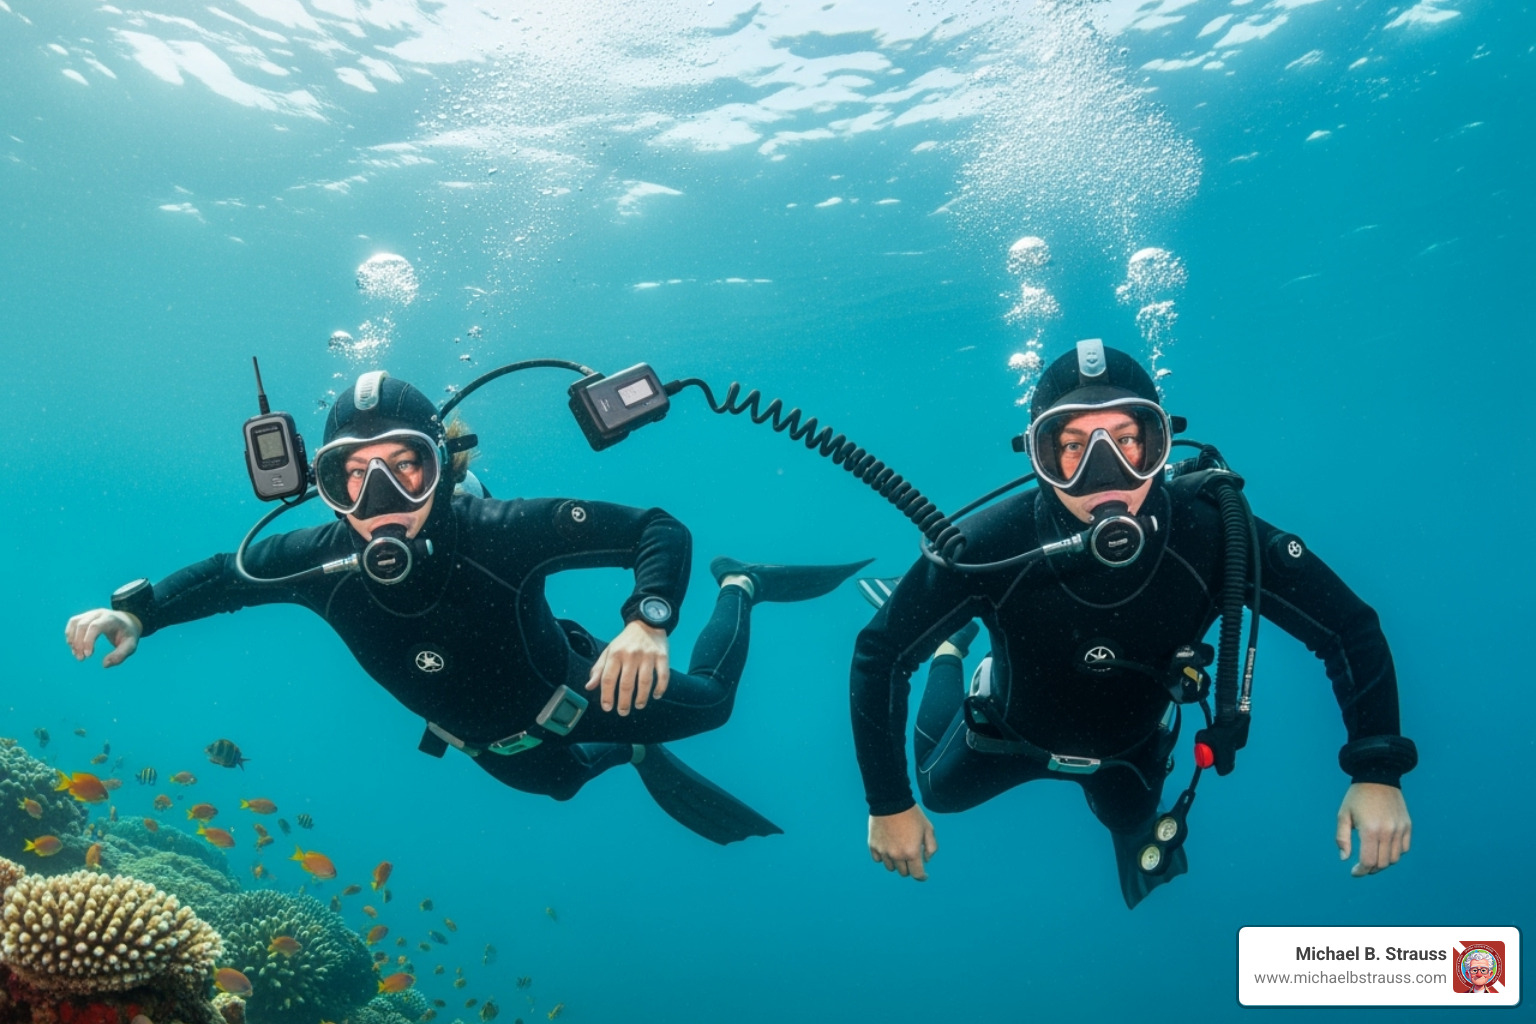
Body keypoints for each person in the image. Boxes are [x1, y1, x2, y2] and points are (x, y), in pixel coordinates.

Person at [66, 370, 868, 844]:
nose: (381, 497)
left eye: (405, 468)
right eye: (353, 476)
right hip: (491, 746)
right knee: (555, 790)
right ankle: (632, 754)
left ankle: (743, 585)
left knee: (716, 705)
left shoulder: (500, 531)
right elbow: (221, 577)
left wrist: (648, 619)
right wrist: (139, 615)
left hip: (588, 689)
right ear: (324, 486)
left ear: (440, 467)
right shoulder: (318, 560)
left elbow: (658, 529)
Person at [849, 340, 1416, 905]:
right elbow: (882, 653)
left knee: (1130, 819)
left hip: (1129, 754)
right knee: (936, 794)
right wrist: (888, 803)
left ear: (1160, 443)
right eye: (1072, 447)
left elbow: (1348, 627)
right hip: (1004, 734)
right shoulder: (988, 547)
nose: (1105, 474)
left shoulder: (1218, 536)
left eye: (1126, 441)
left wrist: (1377, 768)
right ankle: (954, 650)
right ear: (1039, 457)